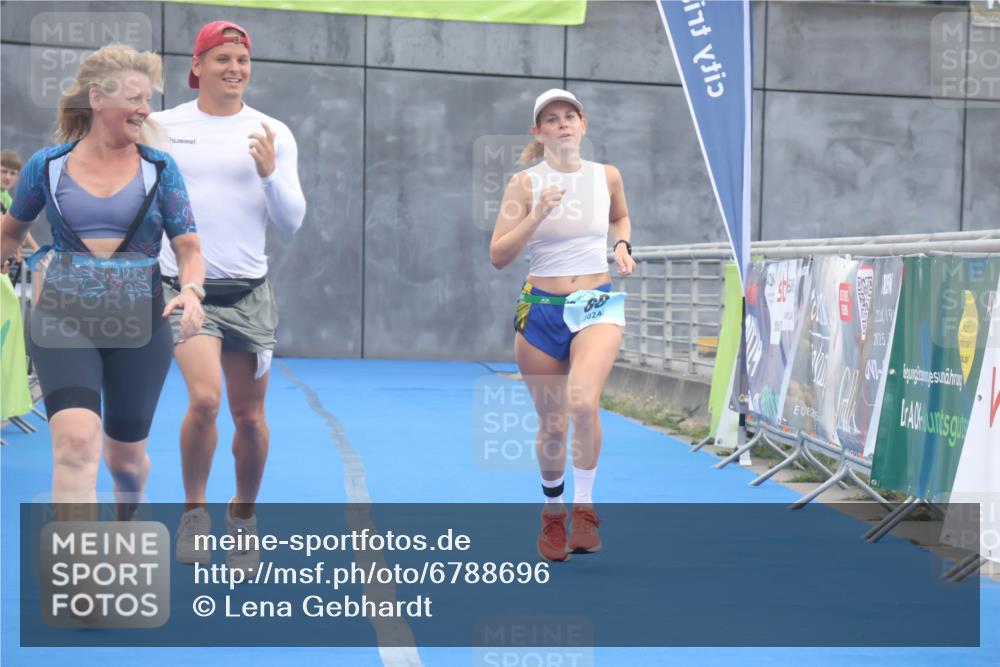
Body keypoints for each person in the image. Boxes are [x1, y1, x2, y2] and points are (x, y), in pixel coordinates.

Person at [0, 44, 205, 518]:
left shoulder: (160, 169)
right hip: (62, 320)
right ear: (97, 98)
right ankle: (83, 584)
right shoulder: (47, 166)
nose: (144, 109)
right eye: (135, 98)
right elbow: (10, 233)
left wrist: (193, 290)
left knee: (125, 461)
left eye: (148, 100)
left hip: (140, 326)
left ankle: (127, 519)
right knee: (74, 445)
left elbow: (189, 248)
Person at [152, 21, 305, 570]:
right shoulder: (161, 126)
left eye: (241, 59)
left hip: (251, 293)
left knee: (250, 418)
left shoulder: (272, 131)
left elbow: (292, 220)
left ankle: (243, 515)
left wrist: (268, 174)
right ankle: (195, 513)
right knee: (204, 400)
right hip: (186, 289)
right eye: (221, 59)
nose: (234, 69)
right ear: (197, 67)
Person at [490, 89, 636, 561]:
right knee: (552, 425)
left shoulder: (606, 175)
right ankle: (553, 514)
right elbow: (498, 255)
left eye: (569, 116)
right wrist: (538, 213)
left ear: (583, 124)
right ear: (539, 132)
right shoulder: (525, 184)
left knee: (582, 400)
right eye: (551, 120)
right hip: (541, 308)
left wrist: (621, 246)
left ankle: (586, 507)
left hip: (596, 302)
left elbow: (620, 215)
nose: (562, 125)